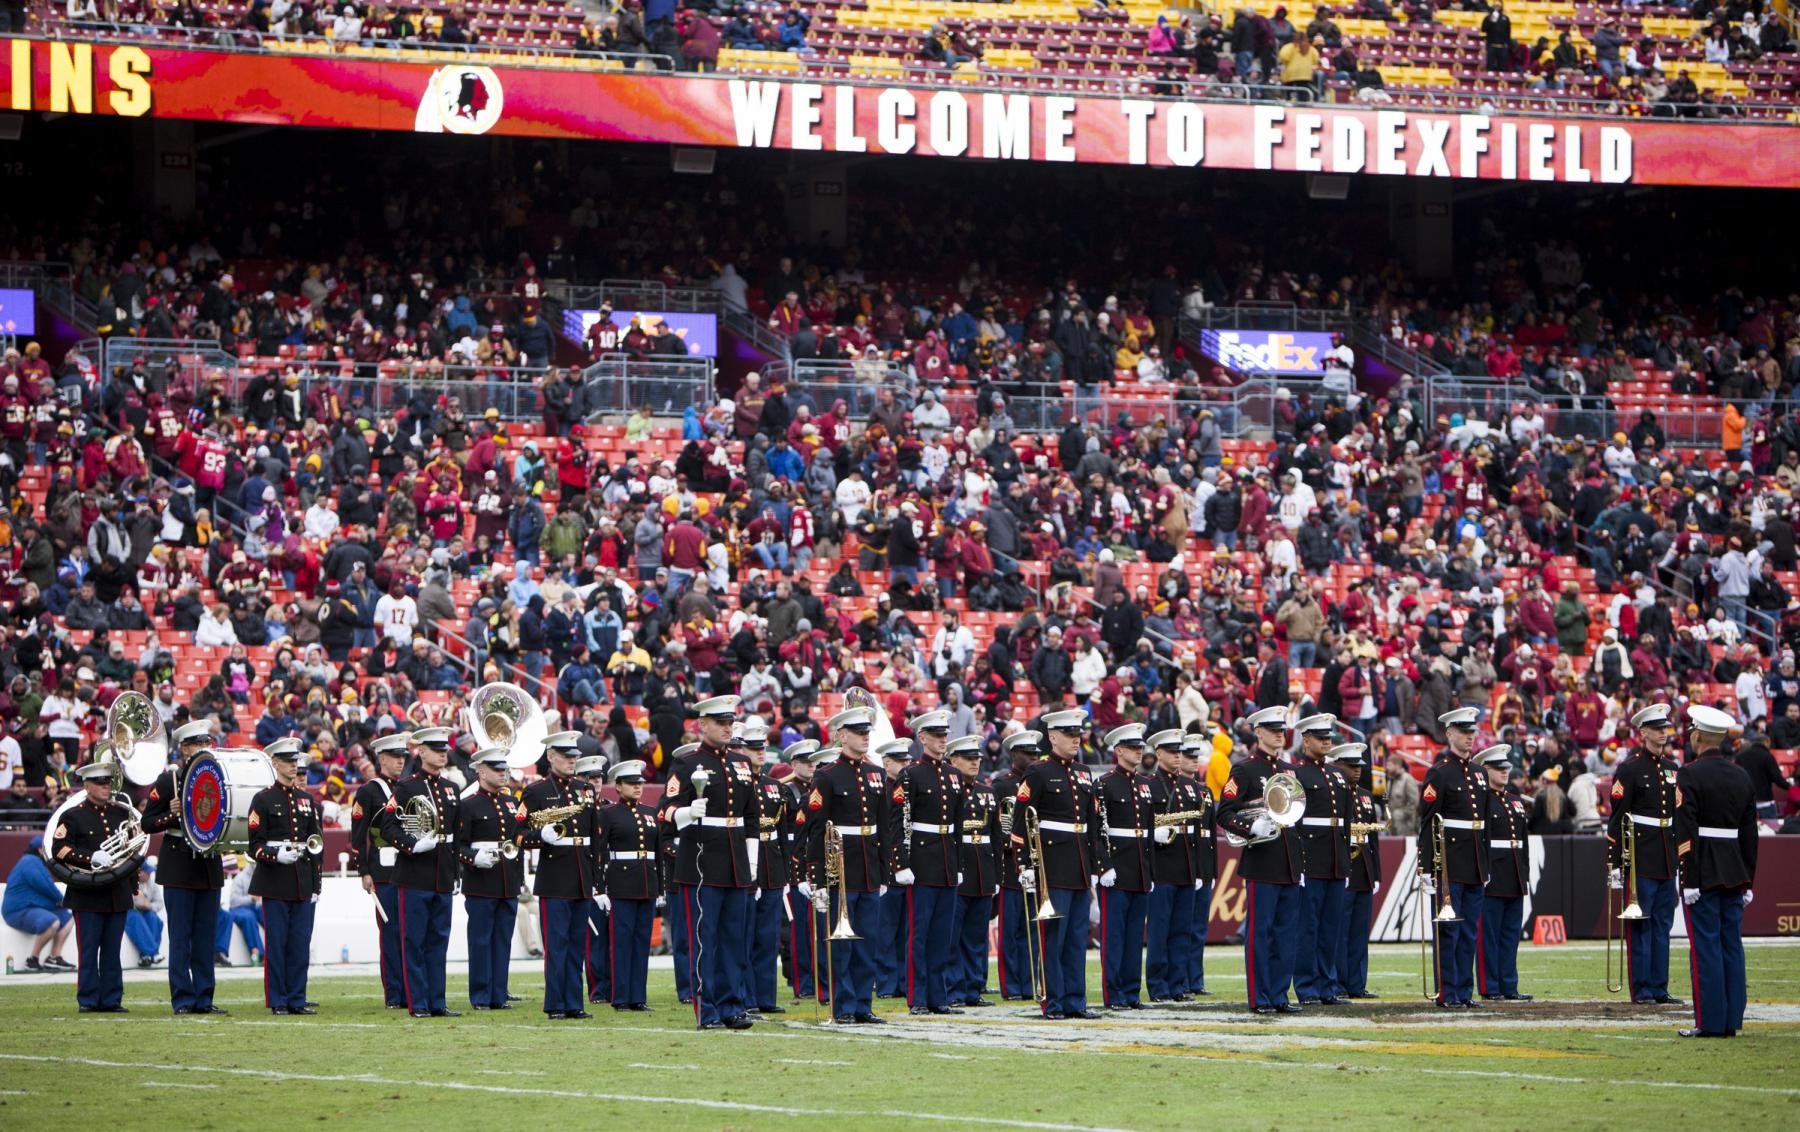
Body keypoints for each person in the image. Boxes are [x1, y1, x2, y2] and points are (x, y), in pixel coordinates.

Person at [666, 695, 760, 1031]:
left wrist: (752, 858)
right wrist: (687, 813)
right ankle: (707, 1010)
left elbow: (751, 816)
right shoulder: (687, 764)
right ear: (702, 724)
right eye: (719, 722)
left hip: (735, 859)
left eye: (729, 722)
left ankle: (732, 1006)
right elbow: (666, 811)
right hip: (702, 862)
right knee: (706, 941)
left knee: (735, 940)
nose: (726, 727)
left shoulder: (742, 763)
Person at [1011, 708, 1102, 1020]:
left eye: (1077, 734)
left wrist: (1094, 867)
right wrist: (1024, 865)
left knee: (1077, 938)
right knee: (1054, 938)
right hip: (1050, 865)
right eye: (1068, 734)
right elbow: (1021, 821)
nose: (1075, 739)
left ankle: (1076, 1000)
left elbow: (1091, 823)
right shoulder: (1037, 772)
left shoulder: (1084, 772)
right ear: (1052, 736)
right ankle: (1053, 1001)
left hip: (1077, 864)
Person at [804, 705, 892, 1024]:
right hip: (839, 869)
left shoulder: (877, 774)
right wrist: (816, 876)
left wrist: (884, 871)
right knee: (843, 945)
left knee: (867, 941)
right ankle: (843, 1006)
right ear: (842, 735)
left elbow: (884, 827)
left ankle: (862, 1005)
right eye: (858, 732)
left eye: (867, 731)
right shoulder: (826, 776)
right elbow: (815, 829)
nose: (865, 737)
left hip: (868, 867)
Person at [1675, 705, 1759, 1039]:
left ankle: (1709, 1022)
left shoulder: (1689, 774)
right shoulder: (1741, 775)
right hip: (1735, 869)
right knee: (1731, 945)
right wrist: (1749, 878)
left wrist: (1689, 878)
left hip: (1704, 870)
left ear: (1697, 736)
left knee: (1705, 947)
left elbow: (1686, 832)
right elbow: (1750, 836)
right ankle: (1731, 1020)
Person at [1217, 706, 1305, 1014]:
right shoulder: (1244, 769)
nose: (1279, 735)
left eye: (1282, 730)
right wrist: (1251, 827)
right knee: (1261, 933)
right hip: (1262, 860)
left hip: (1289, 862)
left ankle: (1280, 995)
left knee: (1286, 935)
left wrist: (1301, 862)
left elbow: (1297, 817)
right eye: (1273, 730)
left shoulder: (1289, 770)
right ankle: (1260, 997)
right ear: (1258, 732)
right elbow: (1224, 812)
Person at [138, 718, 228, 1014]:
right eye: (197, 744)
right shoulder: (169, 781)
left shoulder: (218, 779)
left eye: (206, 743)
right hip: (178, 866)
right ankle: (182, 999)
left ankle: (204, 998)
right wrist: (171, 814)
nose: (203, 748)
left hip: (208, 867)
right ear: (184, 748)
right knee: (180, 939)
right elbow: (147, 822)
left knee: (205, 939)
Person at [378, 726, 462, 1018]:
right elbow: (387, 827)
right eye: (436, 750)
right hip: (414, 875)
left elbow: (457, 832)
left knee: (438, 942)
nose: (442, 755)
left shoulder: (452, 788)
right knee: (414, 941)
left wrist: (456, 870)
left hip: (442, 875)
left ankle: (437, 1001)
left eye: (444, 750)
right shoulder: (406, 787)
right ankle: (419, 1004)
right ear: (422, 752)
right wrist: (412, 845)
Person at [1606, 703, 1684, 1006]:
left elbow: (1677, 815)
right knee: (1641, 925)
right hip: (1640, 855)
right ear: (1643, 732)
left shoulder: (1672, 768)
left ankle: (1659, 987)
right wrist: (1615, 861)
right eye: (1656, 728)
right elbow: (1617, 817)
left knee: (1662, 925)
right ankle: (1642, 989)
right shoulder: (1629, 768)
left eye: (1664, 728)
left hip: (1666, 854)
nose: (1662, 733)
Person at [522, 730, 600, 1020]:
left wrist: (597, 880)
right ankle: (556, 1003)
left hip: (582, 874)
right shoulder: (536, 792)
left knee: (577, 944)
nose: (571, 760)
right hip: (555, 876)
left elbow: (595, 836)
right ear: (551, 756)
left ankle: (574, 1002)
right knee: (557, 945)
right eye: (565, 756)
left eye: (574, 756)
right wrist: (540, 836)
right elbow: (517, 835)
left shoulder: (585, 789)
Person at [52, 760, 141, 1012]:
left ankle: (112, 999)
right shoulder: (72, 816)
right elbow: (59, 850)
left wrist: (133, 884)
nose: (105, 787)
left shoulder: (122, 813)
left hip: (117, 892)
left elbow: (131, 852)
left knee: (113, 951)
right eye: (100, 783)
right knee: (89, 950)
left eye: (108, 782)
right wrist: (89, 857)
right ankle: (89, 1000)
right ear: (87, 785)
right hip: (87, 894)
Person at [895, 708, 966, 1016]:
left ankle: (939, 995)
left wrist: (959, 863)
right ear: (921, 737)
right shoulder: (910, 774)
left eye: (944, 736)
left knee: (942, 935)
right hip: (922, 860)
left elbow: (959, 824)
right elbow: (899, 821)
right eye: (936, 736)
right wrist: (902, 862)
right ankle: (919, 996)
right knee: (920, 934)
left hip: (947, 859)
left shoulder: (954, 775)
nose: (941, 741)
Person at [247, 738, 322, 1015]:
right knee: (277, 945)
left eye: (296, 761)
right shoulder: (263, 799)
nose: (294, 765)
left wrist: (316, 885)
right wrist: (274, 855)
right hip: (276, 880)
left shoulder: (306, 800)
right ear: (275, 762)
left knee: (300, 945)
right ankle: (278, 999)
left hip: (301, 880)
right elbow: (254, 844)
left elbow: (317, 843)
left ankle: (297, 998)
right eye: (288, 761)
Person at [1418, 707, 1488, 1009]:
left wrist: (1485, 863)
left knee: (1470, 932)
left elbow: (1483, 823)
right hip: (1449, 862)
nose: (1469, 737)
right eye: (1463, 732)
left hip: (1473, 860)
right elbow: (1429, 822)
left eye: (1472, 732)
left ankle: (1464, 992)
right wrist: (1426, 866)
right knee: (1449, 932)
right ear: (1449, 734)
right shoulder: (1440, 772)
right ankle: (1447, 993)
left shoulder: (1480, 773)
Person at [456, 747, 525, 1011]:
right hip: (481, 882)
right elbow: (457, 846)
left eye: (504, 769)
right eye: (496, 769)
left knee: (502, 940)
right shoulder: (469, 805)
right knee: (481, 940)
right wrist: (473, 858)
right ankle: (481, 995)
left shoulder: (511, 803)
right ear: (481, 771)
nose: (502, 773)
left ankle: (499, 994)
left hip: (507, 880)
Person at [1291, 712, 1351, 1006]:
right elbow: (1293, 822)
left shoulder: (1338, 774)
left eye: (1329, 737)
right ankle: (1306, 986)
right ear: (1306, 740)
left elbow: (1347, 822)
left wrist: (1346, 860)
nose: (1327, 742)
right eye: (1320, 737)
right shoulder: (1297, 775)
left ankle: (1328, 985)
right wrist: (1298, 861)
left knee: (1331, 927)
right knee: (1308, 926)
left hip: (1335, 859)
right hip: (1310, 858)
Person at [1095, 723, 1155, 1010]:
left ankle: (1132, 991)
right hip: (1116, 868)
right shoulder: (1105, 783)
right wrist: (1103, 866)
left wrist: (1151, 869)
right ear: (1118, 751)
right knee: (1115, 935)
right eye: (1133, 747)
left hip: (1139, 867)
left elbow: (1150, 831)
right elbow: (1097, 829)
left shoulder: (1145, 784)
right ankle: (1114, 992)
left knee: (1134, 937)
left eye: (1140, 747)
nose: (1139, 751)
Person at [351, 732, 410, 1009]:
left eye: (403, 757)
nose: (400, 762)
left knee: (410, 933)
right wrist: (363, 870)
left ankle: (411, 991)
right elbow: (358, 836)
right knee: (391, 934)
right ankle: (395, 994)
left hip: (409, 868)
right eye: (395, 757)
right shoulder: (369, 791)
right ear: (382, 758)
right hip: (383, 870)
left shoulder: (409, 788)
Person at [598, 758, 661, 1012]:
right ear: (618, 786)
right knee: (622, 942)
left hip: (647, 881)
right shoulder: (608, 814)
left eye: (640, 783)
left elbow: (656, 851)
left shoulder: (649, 813)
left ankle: (638, 996)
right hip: (621, 883)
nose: (638, 787)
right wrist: (600, 887)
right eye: (632, 783)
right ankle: (621, 996)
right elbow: (600, 853)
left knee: (641, 941)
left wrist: (661, 887)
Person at [740, 715, 790, 1015]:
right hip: (748, 866)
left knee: (768, 938)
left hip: (771, 866)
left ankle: (765, 997)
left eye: (763, 747)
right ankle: (746, 997)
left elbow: (782, 834)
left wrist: (785, 871)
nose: (760, 752)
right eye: (753, 747)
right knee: (746, 936)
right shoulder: (739, 784)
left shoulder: (775, 787)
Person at [1145, 728, 1198, 1002]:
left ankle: (1178, 984)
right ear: (1158, 754)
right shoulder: (1149, 786)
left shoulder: (1191, 786)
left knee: (1181, 931)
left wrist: (1199, 870)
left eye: (1179, 752)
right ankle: (1158, 985)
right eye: (1172, 752)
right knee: (1160, 930)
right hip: (1162, 866)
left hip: (1186, 866)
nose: (1178, 757)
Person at [991, 730, 1043, 1001]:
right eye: (1028, 753)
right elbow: (998, 828)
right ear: (1014, 755)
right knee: (1011, 931)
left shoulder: (1040, 780)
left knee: (1034, 930)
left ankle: (1032, 982)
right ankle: (1011, 986)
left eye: (1036, 753)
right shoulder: (1001, 785)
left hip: (1037, 865)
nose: (1034, 757)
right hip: (1011, 868)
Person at [1477, 746, 1532, 1002]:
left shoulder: (1515, 800)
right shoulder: (1481, 800)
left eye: (1506, 768)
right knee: (1489, 934)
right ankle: (1491, 986)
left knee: (1510, 935)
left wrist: (1525, 873)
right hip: (1493, 872)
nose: (1504, 772)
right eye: (1498, 768)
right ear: (1485, 769)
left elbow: (1523, 841)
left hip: (1514, 872)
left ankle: (1509, 985)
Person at [947, 734, 997, 1007]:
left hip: (983, 866)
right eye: (968, 758)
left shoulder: (987, 792)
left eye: (976, 758)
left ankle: (973, 988)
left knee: (976, 936)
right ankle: (954, 988)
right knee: (954, 935)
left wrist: (997, 874)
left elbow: (997, 835)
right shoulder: (950, 790)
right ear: (953, 760)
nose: (974, 763)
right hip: (960, 864)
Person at [1331, 744, 1380, 999]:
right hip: (1342, 863)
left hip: (1363, 866)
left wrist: (1377, 873)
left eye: (1358, 766)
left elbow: (1373, 838)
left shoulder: (1364, 795)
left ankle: (1357, 983)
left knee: (1359, 931)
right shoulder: (1334, 793)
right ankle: (1338, 983)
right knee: (1340, 930)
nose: (1357, 771)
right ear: (1337, 765)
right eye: (1351, 766)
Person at [778, 739, 822, 1002]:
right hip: (796, 862)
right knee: (800, 930)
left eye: (814, 761)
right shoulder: (786, 791)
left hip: (816, 860)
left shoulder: (821, 786)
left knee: (819, 928)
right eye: (806, 762)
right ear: (794, 765)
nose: (811, 766)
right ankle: (802, 981)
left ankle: (821, 979)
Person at [1178, 735, 1217, 997]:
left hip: (1202, 862)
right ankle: (1180, 979)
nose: (1194, 761)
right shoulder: (1175, 789)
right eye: (1189, 757)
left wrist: (1212, 870)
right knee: (1182, 927)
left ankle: (1196, 979)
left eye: (1196, 757)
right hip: (1184, 863)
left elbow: (1211, 835)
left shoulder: (1204, 791)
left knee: (1199, 928)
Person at [2, 834, 75, 971]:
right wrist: (63, 900)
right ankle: (32, 960)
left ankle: (54, 958)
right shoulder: (30, 861)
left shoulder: (34, 862)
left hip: (31, 908)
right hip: (17, 911)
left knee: (68, 918)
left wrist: (61, 903)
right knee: (52, 922)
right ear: (41, 850)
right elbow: (46, 886)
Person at [125, 861, 164, 967]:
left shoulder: (152, 882)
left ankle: (146, 956)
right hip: (130, 911)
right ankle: (153, 953)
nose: (149, 874)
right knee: (136, 919)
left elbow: (159, 902)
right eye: (146, 872)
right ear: (139, 872)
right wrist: (138, 902)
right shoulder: (129, 880)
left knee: (154, 919)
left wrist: (149, 906)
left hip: (146, 911)